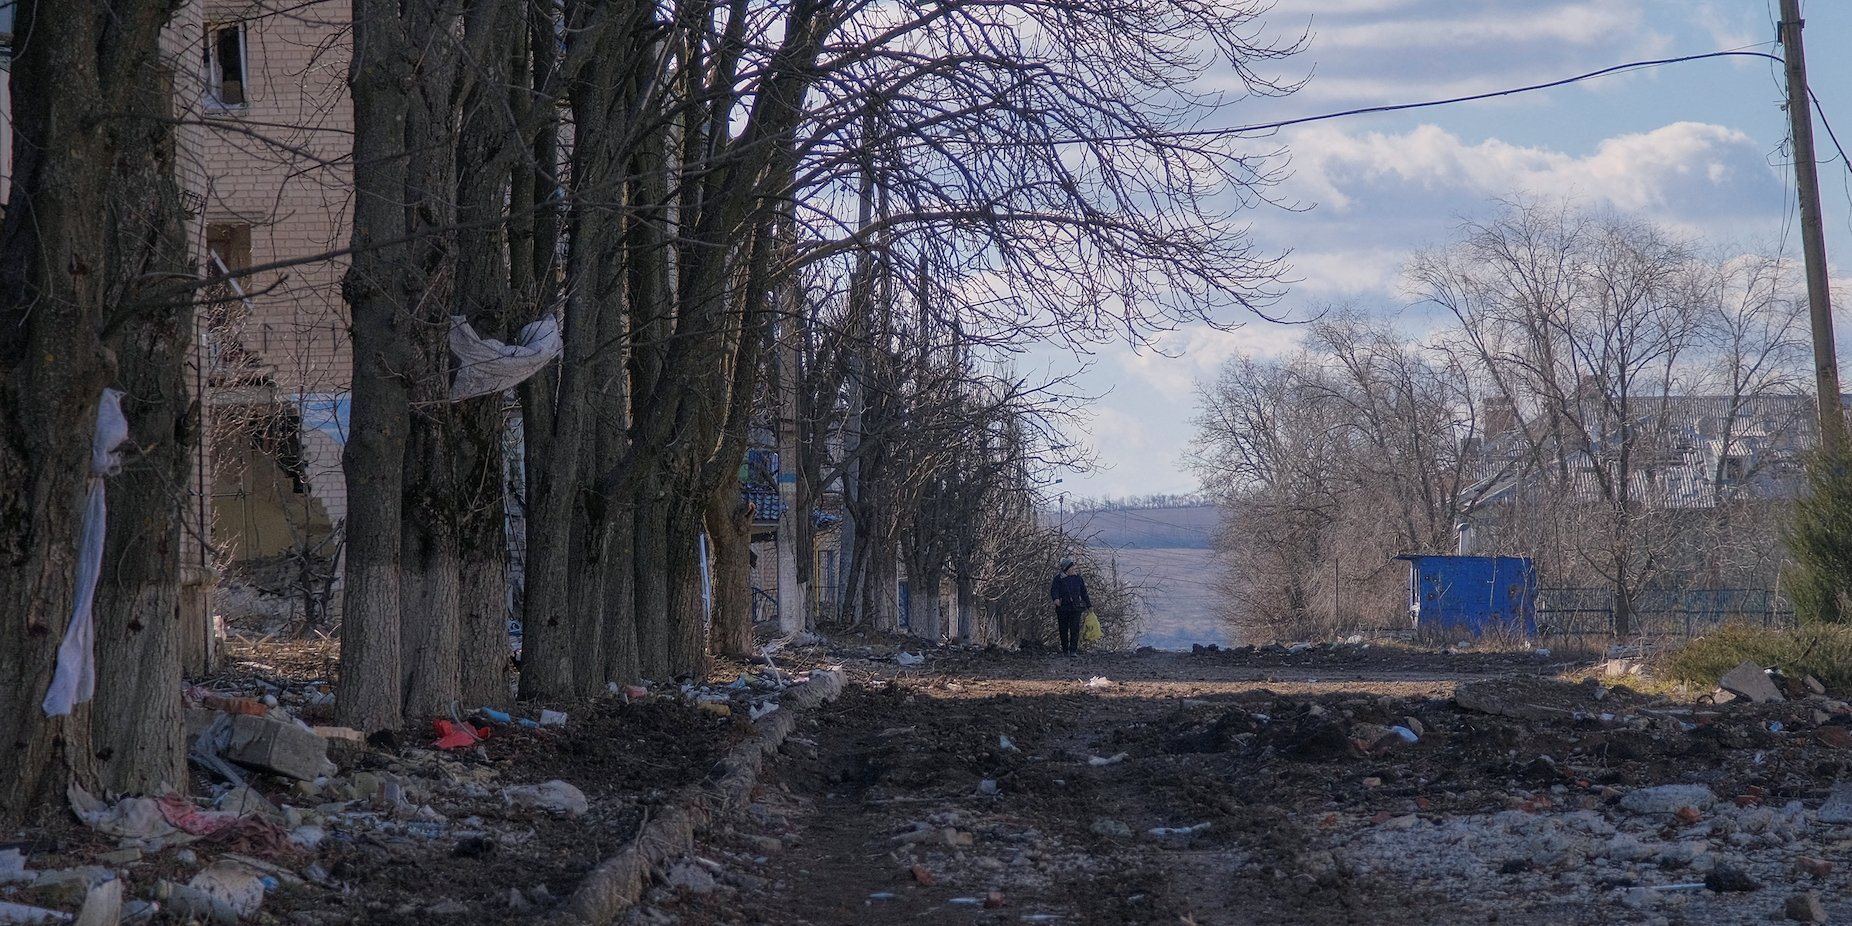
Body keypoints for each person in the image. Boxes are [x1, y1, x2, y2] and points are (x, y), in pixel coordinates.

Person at [1049, 557, 1091, 657]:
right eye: (1071, 567)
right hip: (1062, 608)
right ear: (1066, 569)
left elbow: (1084, 593)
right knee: (1063, 629)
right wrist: (1056, 599)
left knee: (1075, 629)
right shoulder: (1058, 579)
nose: (1073, 569)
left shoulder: (1078, 579)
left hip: (1075, 608)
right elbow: (1054, 590)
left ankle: (1073, 651)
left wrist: (1089, 606)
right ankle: (1065, 650)